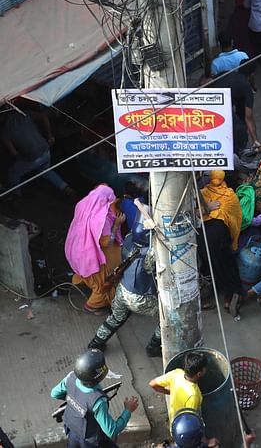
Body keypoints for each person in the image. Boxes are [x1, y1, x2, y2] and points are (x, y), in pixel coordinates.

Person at [87, 221, 161, 357]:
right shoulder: (150, 253)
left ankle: (96, 343)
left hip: (123, 290)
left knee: (115, 318)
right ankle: (153, 347)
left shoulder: (128, 239)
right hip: (141, 298)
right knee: (167, 317)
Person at [51, 349, 139, 448]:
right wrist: (128, 410)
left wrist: (74, 400)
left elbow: (54, 393)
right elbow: (111, 431)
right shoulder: (98, 401)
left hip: (73, 432)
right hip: (91, 442)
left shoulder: (70, 377)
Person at [65, 185, 123, 312]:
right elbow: (106, 242)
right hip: (93, 261)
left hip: (78, 254)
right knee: (102, 286)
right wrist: (117, 225)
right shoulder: (102, 218)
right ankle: (92, 306)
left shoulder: (83, 207)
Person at [0, 108, 73, 197]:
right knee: (45, 170)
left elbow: (14, 153)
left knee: (13, 173)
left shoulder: (4, 132)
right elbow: (43, 116)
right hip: (46, 150)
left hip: (33, 158)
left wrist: (24, 157)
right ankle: (65, 188)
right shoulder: (24, 114)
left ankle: (15, 193)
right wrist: (49, 135)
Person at [199, 171, 243, 310]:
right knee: (227, 262)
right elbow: (236, 220)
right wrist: (233, 239)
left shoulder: (203, 193)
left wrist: (206, 210)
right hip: (220, 235)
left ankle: (218, 287)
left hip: (203, 235)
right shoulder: (230, 196)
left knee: (211, 264)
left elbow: (195, 211)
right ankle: (232, 292)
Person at [148, 352, 207, 426]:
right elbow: (190, 423)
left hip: (174, 423)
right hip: (182, 430)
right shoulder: (194, 395)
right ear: (199, 374)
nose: (206, 369)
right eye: (204, 367)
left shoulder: (176, 373)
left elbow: (152, 384)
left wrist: (170, 391)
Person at [214, 58, 259, 151]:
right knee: (239, 129)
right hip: (217, 109)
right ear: (252, 75)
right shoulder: (245, 86)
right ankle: (238, 149)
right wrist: (255, 140)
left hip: (205, 102)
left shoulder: (226, 73)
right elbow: (248, 117)